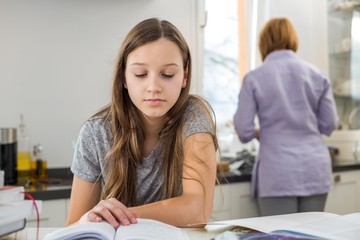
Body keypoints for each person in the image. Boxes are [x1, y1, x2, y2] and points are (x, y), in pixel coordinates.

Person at [66, 18, 219, 228]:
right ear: (123, 78)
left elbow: (197, 211)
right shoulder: (95, 133)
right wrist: (86, 220)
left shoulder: (193, 115)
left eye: (167, 74)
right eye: (140, 74)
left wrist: (116, 216)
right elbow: (73, 226)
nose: (153, 86)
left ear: (184, 76)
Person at [233, 17, 338, 216]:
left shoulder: (254, 78)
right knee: (313, 234)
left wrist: (261, 132)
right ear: (293, 40)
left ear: (263, 43)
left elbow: (243, 130)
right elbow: (330, 124)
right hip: (315, 168)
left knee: (281, 235)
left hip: (277, 171)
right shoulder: (318, 75)